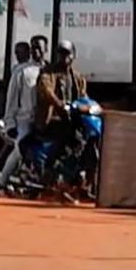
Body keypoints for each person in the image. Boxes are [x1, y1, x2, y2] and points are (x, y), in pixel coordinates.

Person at [34, 40, 90, 186]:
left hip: (72, 119)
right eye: (61, 53)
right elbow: (46, 90)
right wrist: (60, 104)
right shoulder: (48, 73)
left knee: (84, 138)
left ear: (73, 56)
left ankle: (75, 176)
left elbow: (84, 97)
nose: (64, 57)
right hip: (52, 119)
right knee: (69, 137)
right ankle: (52, 171)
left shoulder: (77, 77)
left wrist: (91, 107)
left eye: (67, 54)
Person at [0, 37, 45, 192]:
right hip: (24, 120)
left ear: (45, 50)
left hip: (43, 120)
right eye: (33, 48)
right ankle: (2, 182)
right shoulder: (22, 71)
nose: (36, 52)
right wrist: (10, 123)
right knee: (19, 150)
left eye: (39, 48)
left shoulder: (49, 71)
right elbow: (12, 99)